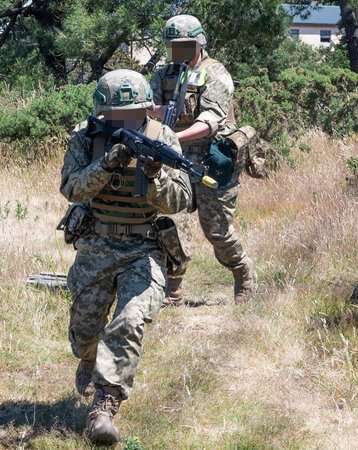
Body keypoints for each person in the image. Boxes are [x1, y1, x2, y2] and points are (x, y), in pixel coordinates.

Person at [60, 69, 192, 445]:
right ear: (103, 114)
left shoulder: (163, 138)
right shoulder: (85, 137)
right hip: (97, 244)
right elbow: (71, 188)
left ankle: (105, 404)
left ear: (147, 109)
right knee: (85, 332)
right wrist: (107, 164)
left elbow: (181, 201)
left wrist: (155, 176)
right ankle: (89, 359)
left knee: (130, 320)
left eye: (134, 113)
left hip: (144, 247)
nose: (127, 122)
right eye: (117, 117)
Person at [149, 14, 255, 305]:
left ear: (199, 43)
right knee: (167, 222)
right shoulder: (163, 74)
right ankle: (173, 289)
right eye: (173, 45)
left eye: (184, 45)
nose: (178, 51)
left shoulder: (215, 73)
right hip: (174, 162)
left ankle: (242, 272)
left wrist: (173, 138)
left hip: (211, 160)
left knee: (217, 230)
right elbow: (152, 108)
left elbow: (210, 121)